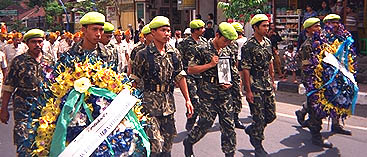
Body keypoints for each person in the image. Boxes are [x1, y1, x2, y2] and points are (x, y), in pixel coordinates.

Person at [131, 16, 194, 156]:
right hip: (149, 107)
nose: (167, 33)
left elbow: (180, 76)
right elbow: (135, 79)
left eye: (168, 30)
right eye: (163, 30)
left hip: (168, 106)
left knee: (167, 145)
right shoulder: (143, 55)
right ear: (153, 32)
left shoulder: (174, 53)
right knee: (155, 145)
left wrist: (187, 99)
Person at [183, 22, 238, 157]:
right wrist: (210, 64)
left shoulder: (228, 50)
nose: (227, 43)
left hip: (224, 93)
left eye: (229, 41)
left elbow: (233, 71)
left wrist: (231, 84)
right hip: (208, 93)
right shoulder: (202, 48)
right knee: (205, 123)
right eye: (225, 40)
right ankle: (189, 141)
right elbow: (190, 69)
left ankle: (229, 153)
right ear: (217, 35)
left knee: (229, 126)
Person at [295, 14, 352, 136]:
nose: (335, 25)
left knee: (337, 97)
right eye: (332, 22)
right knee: (317, 100)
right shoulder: (321, 38)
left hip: (337, 73)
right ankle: (309, 121)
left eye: (337, 22)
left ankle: (335, 125)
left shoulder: (342, 37)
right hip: (318, 76)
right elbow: (308, 63)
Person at [0, 29, 45, 156]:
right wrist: (3, 109)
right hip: (23, 107)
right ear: (26, 43)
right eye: (33, 42)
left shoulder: (49, 59)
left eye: (40, 42)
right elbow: (9, 87)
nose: (37, 45)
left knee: (43, 140)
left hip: (45, 107)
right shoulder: (18, 62)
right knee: (24, 140)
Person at [240, 14, 276, 156]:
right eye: (264, 26)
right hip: (255, 85)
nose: (267, 28)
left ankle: (253, 130)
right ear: (255, 27)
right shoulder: (248, 46)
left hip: (267, 83)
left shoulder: (267, 42)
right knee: (259, 117)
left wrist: (272, 80)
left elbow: (270, 62)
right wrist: (248, 91)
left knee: (271, 115)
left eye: (268, 25)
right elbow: (246, 69)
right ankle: (258, 145)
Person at [297, 17, 334, 148]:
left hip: (322, 80)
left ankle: (304, 115)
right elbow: (306, 68)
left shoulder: (321, 42)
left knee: (318, 106)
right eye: (315, 26)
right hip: (312, 81)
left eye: (319, 26)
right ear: (308, 29)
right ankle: (316, 136)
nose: (319, 28)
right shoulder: (307, 46)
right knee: (316, 108)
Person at [177, 19, 207, 132]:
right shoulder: (184, 43)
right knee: (194, 99)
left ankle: (196, 118)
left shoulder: (204, 42)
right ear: (195, 30)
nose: (203, 30)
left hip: (201, 75)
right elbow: (178, 59)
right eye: (201, 28)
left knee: (203, 99)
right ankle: (191, 119)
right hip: (189, 75)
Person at [229, 22, 246, 129]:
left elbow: (235, 60)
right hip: (224, 74)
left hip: (234, 71)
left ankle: (235, 118)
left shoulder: (235, 44)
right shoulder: (225, 43)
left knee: (237, 96)